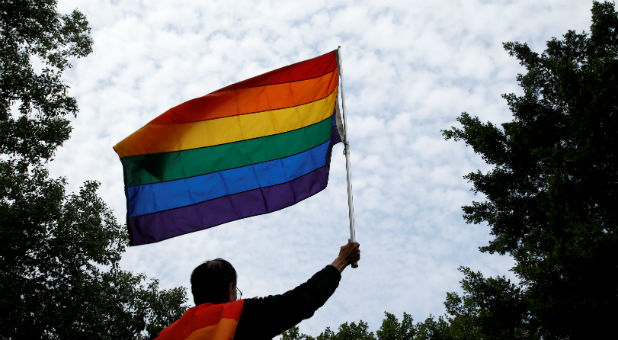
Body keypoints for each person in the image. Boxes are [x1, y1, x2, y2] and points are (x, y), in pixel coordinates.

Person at [156, 240, 361, 340]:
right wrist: (340, 262)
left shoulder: (166, 335)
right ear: (230, 290)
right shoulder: (233, 316)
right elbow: (299, 301)